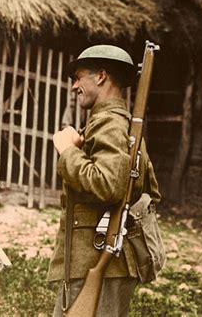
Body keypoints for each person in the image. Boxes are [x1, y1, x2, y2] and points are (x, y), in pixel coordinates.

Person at [48, 45, 161, 316]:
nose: (75, 86)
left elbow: (109, 185)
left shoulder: (110, 123)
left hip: (100, 259)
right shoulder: (116, 124)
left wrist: (68, 151)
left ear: (100, 76)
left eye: (78, 77)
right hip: (98, 258)